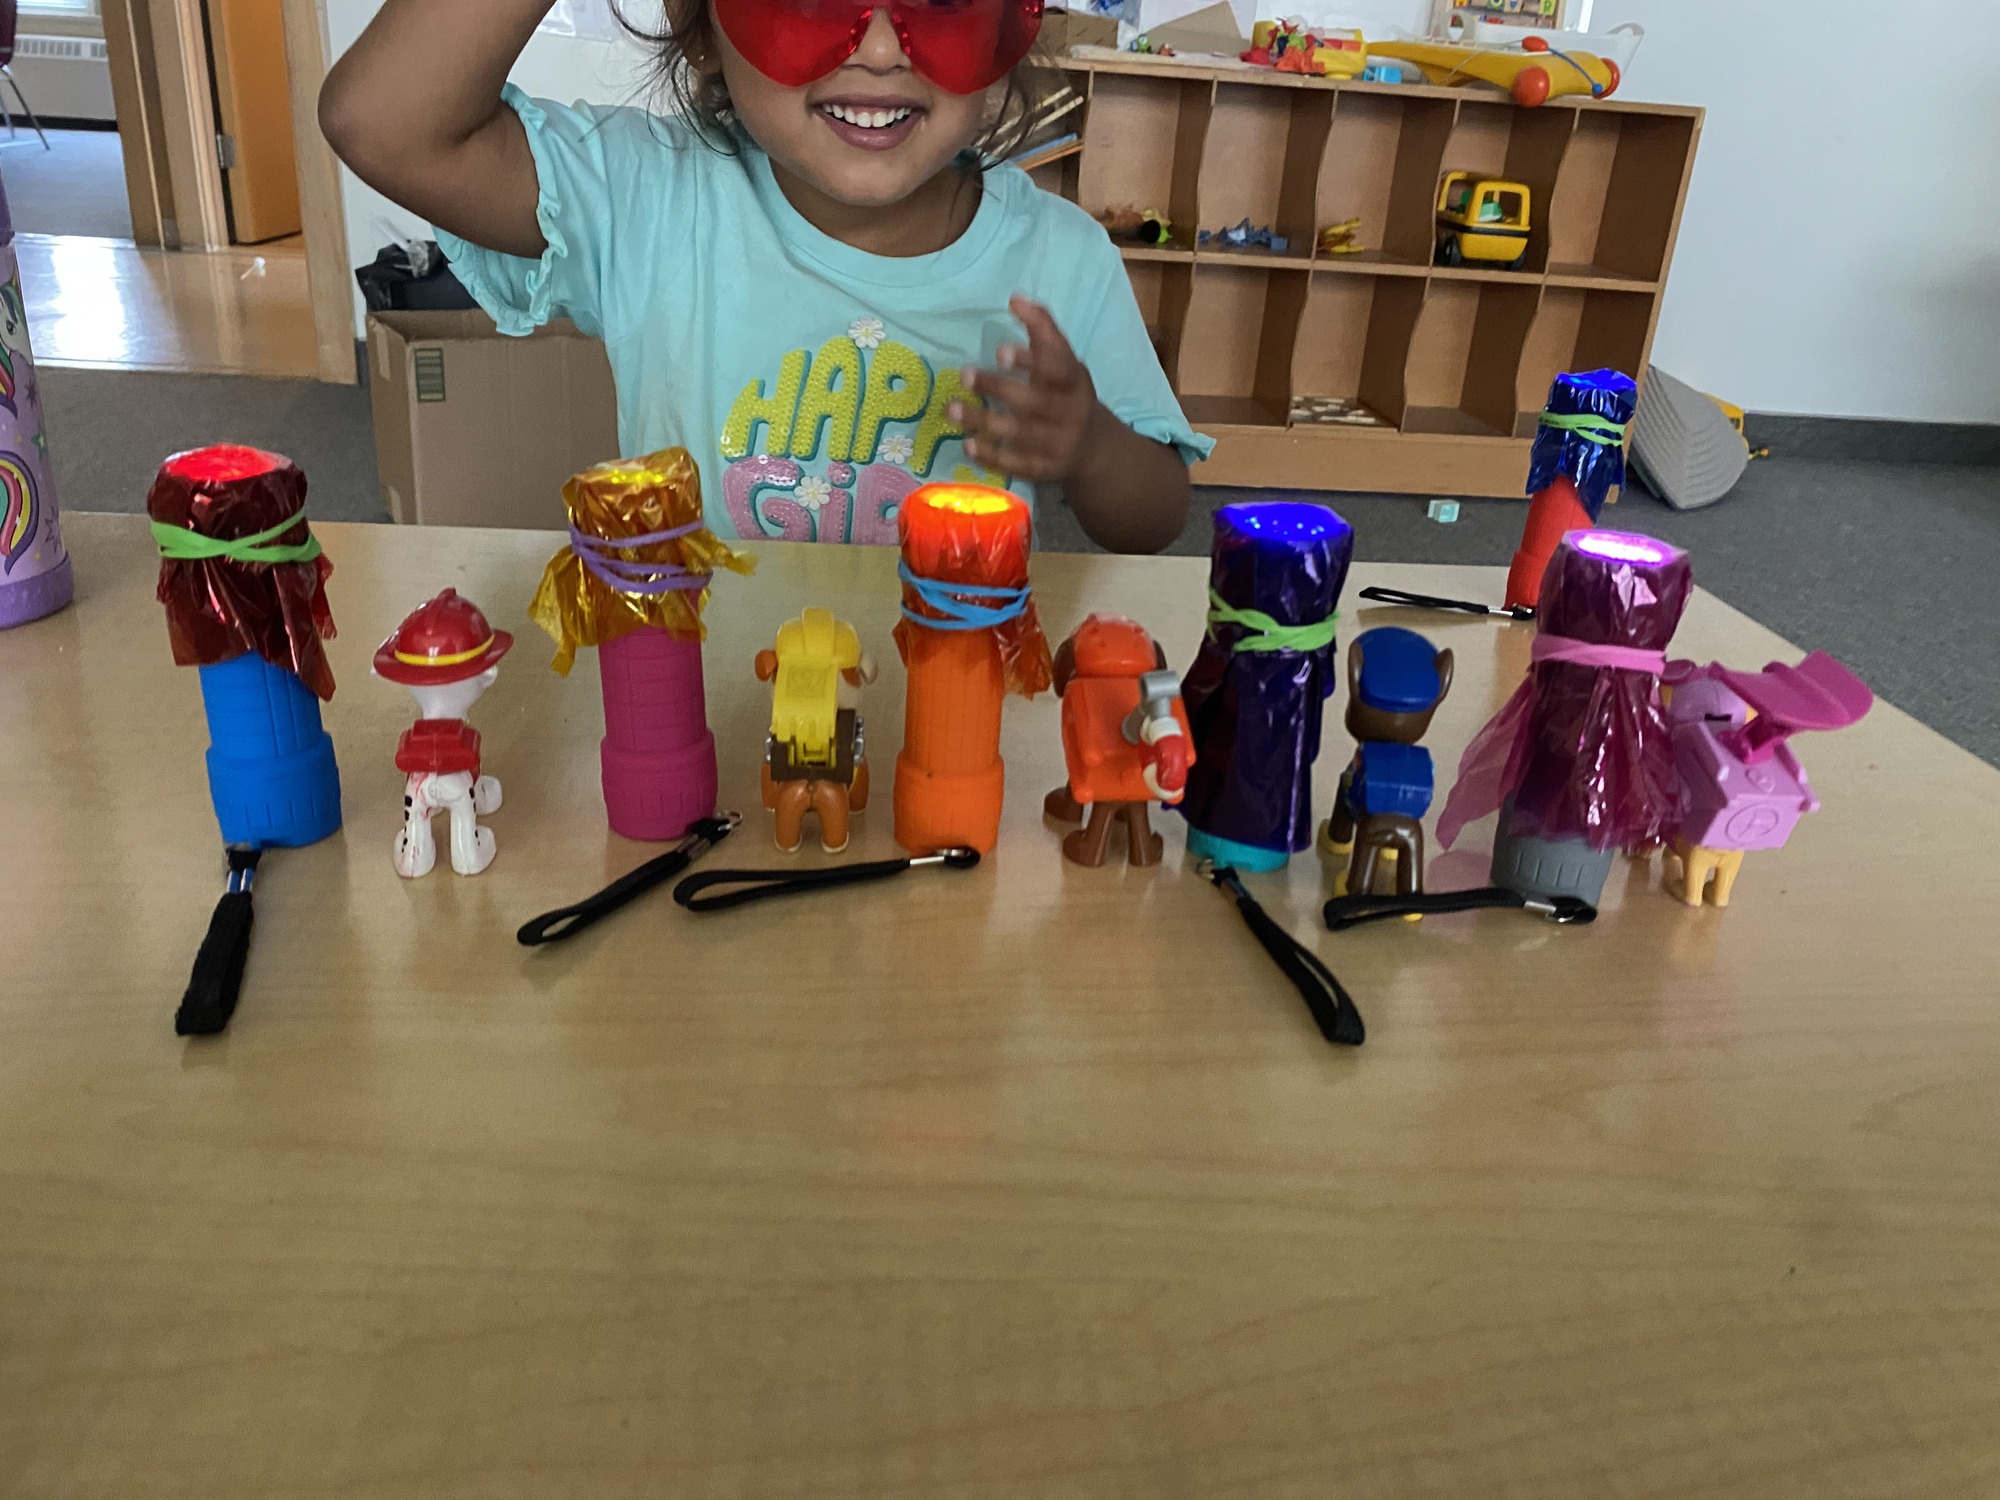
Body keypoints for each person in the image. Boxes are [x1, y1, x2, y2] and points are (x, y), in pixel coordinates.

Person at [320, 0, 1210, 552]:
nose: (881, 48)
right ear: (701, 28)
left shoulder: (1058, 257)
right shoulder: (652, 201)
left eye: (938, 0)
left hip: (946, 718)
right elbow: (382, 121)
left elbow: (1154, 516)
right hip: (696, 712)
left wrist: (1091, 445)